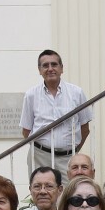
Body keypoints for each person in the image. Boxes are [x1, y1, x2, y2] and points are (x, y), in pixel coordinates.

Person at [20, 49, 92, 178]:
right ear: (39, 70)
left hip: (69, 158)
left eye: (54, 64)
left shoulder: (77, 93)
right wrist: (39, 150)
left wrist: (73, 151)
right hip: (40, 157)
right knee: (42, 194)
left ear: (61, 68)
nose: (50, 68)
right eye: (45, 65)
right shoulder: (31, 95)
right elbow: (26, 131)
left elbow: (85, 129)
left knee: (69, 195)